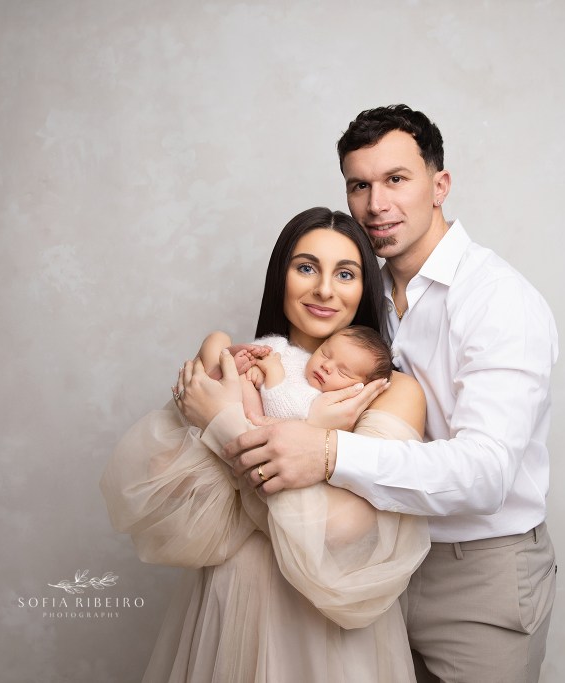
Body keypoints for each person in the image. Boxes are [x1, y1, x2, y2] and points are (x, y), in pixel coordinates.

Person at [215, 106, 560, 682]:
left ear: (439, 184)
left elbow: (487, 473)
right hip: (374, 564)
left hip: (478, 574)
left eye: (396, 179)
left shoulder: (497, 299)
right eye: (360, 185)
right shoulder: (359, 300)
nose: (377, 204)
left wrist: (328, 454)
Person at [100, 207, 429, 682]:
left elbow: (341, 530)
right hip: (230, 597)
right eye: (306, 267)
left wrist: (223, 423)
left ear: (365, 289)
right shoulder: (243, 364)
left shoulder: (390, 390)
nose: (324, 289)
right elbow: (167, 501)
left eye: (346, 273)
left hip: (322, 623)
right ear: (282, 276)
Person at [190, 325, 394, 421]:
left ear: (357, 389)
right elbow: (269, 349)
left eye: (343, 372)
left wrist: (272, 375)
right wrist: (251, 356)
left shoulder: (320, 399)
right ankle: (218, 373)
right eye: (325, 353)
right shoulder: (291, 352)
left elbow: (285, 413)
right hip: (228, 386)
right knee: (218, 338)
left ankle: (216, 381)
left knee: (243, 386)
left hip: (243, 419)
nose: (326, 366)